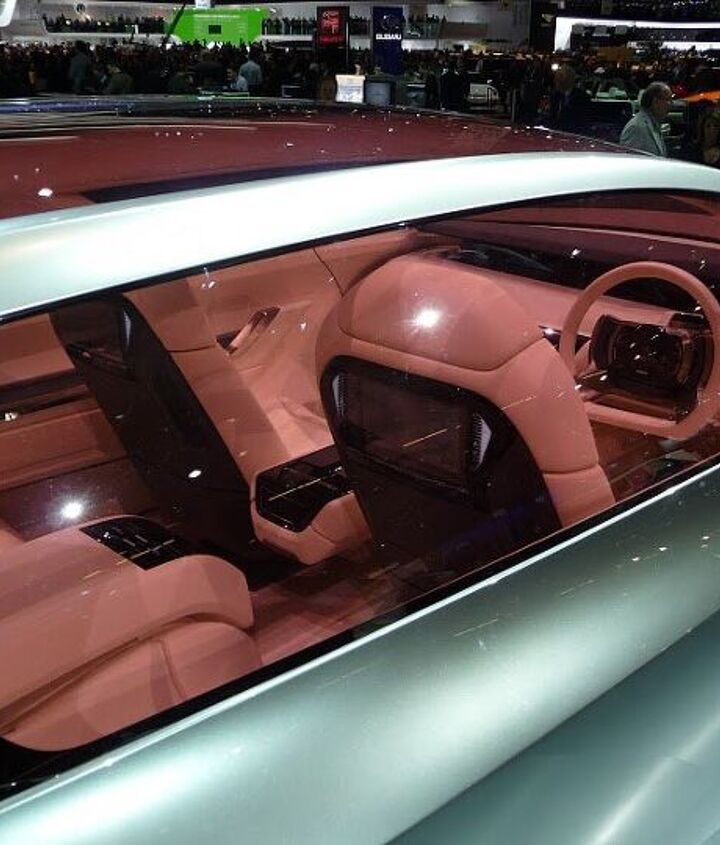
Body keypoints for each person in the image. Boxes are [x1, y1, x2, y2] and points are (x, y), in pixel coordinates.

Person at [619, 82, 672, 156]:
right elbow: (631, 160)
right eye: (668, 100)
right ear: (655, 102)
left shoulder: (653, 124)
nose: (670, 104)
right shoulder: (636, 128)